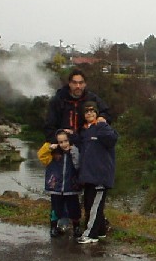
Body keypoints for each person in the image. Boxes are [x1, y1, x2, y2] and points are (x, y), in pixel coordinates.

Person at [74, 101, 118, 244]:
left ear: (97, 113)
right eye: (86, 111)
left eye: (92, 111)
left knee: (94, 207)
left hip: (100, 176)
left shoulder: (102, 127)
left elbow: (112, 139)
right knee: (89, 205)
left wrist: (102, 124)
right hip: (88, 176)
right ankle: (100, 231)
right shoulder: (84, 131)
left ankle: (90, 235)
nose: (89, 113)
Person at [43, 68, 110, 142]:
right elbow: (49, 126)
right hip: (64, 144)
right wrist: (57, 141)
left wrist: (102, 117)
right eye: (74, 83)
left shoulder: (92, 98)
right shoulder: (58, 100)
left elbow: (106, 112)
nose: (78, 86)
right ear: (69, 83)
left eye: (81, 83)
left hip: (86, 142)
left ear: (85, 84)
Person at [42, 129, 81, 238]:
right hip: (56, 187)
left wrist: (74, 151)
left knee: (74, 209)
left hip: (71, 186)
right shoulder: (53, 154)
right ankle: (53, 227)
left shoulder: (75, 151)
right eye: (60, 142)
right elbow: (41, 157)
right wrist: (48, 148)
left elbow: (78, 165)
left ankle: (76, 227)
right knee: (55, 209)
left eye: (66, 141)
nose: (64, 144)